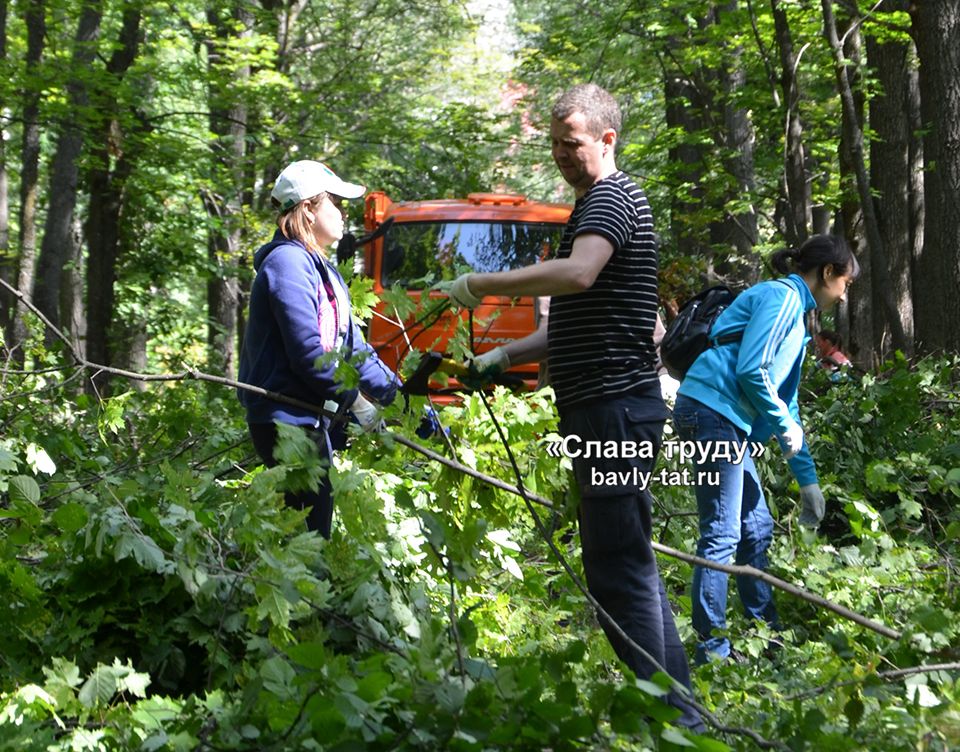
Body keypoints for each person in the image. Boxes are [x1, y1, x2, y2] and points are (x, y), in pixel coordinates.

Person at [445, 84, 703, 730]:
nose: (562, 154)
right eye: (555, 143)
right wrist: (502, 359)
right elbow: (574, 318)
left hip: (614, 409)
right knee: (626, 567)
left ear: (608, 139)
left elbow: (579, 276)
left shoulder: (612, 200)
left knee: (618, 571)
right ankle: (683, 714)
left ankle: (681, 723)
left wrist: (481, 285)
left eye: (574, 143)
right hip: (604, 407)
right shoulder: (590, 207)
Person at [670, 235, 860, 664]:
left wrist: (807, 481)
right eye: (845, 283)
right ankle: (712, 651)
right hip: (710, 412)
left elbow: (785, 404)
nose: (844, 295)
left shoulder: (800, 323)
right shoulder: (781, 298)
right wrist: (782, 425)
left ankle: (766, 635)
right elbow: (751, 369)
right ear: (827, 273)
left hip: (726, 421)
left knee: (756, 527)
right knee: (721, 532)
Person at [238, 160, 400, 538]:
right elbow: (309, 354)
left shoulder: (324, 270)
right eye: (336, 204)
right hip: (285, 422)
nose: (344, 214)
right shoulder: (287, 263)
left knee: (311, 531)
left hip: (311, 419)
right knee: (309, 538)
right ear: (309, 208)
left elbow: (357, 354)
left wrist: (407, 403)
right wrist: (358, 403)